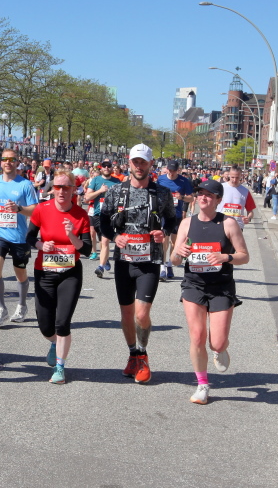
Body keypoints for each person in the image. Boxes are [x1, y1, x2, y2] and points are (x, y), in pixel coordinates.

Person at [99, 144, 176, 384]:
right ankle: (133, 354)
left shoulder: (162, 193)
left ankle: (143, 355)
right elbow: (103, 222)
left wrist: (164, 232)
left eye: (143, 162)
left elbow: (172, 220)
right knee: (126, 313)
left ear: (151, 164)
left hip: (149, 260)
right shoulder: (116, 192)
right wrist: (115, 237)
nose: (139, 166)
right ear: (129, 163)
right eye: (135, 162)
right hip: (124, 261)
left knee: (142, 314)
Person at [171, 179, 249, 405]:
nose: (203, 197)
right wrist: (178, 252)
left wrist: (225, 257)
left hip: (221, 287)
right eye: (200, 193)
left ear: (218, 200)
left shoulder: (228, 223)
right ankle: (202, 385)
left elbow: (244, 256)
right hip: (193, 285)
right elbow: (174, 260)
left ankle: (219, 349)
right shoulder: (187, 223)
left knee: (218, 342)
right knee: (197, 337)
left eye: (209, 195)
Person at [26, 169, 91, 384]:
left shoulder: (80, 215)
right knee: (45, 325)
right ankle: (54, 342)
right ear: (52, 189)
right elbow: (29, 237)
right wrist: (41, 245)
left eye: (66, 187)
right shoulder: (41, 209)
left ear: (73, 189)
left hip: (70, 274)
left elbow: (87, 249)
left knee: (62, 323)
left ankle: (60, 368)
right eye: (57, 187)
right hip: (45, 272)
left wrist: (72, 235)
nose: (61, 191)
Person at [0, 150, 38, 326]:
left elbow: (35, 209)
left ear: (17, 162)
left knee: (20, 272)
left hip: (19, 236)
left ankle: (22, 305)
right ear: (0, 162)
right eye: (5, 159)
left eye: (11, 159)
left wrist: (19, 209)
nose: (8, 162)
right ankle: (1, 309)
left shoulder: (25, 184)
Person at [156, 160, 194, 281]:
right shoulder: (161, 179)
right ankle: (162, 266)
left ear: (178, 170)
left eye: (174, 170)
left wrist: (181, 197)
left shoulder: (184, 181)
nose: (171, 173)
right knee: (164, 240)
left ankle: (169, 264)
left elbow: (191, 198)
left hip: (176, 215)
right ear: (167, 169)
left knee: (174, 242)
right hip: (163, 214)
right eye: (170, 170)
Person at [84, 160, 120, 277]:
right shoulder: (96, 180)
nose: (106, 168)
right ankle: (105, 258)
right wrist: (100, 191)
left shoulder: (117, 182)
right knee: (101, 240)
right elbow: (87, 197)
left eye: (108, 166)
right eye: (104, 166)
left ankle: (100, 267)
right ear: (101, 168)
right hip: (98, 214)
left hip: (111, 216)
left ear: (111, 168)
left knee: (105, 241)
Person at [216, 165, 255, 230]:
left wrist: (248, 218)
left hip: (238, 227)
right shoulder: (221, 187)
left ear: (241, 176)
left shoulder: (245, 191)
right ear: (229, 175)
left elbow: (250, 211)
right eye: (232, 177)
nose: (234, 180)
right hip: (221, 225)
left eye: (237, 177)